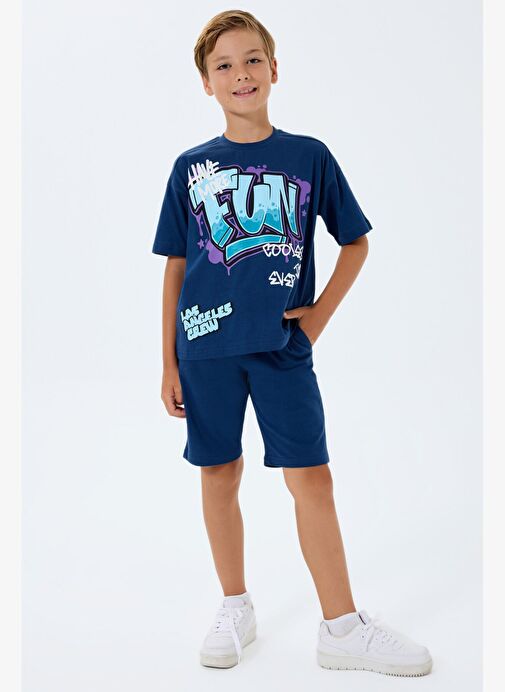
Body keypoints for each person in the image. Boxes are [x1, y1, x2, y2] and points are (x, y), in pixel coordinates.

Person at [152, 9, 432, 677]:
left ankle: (341, 626)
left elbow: (355, 242)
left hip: (282, 348)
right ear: (206, 83)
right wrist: (166, 361)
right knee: (219, 472)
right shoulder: (190, 168)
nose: (240, 74)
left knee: (312, 477)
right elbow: (176, 267)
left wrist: (316, 320)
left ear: (274, 69)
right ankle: (234, 605)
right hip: (204, 347)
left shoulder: (308, 156)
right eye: (224, 66)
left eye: (252, 60)